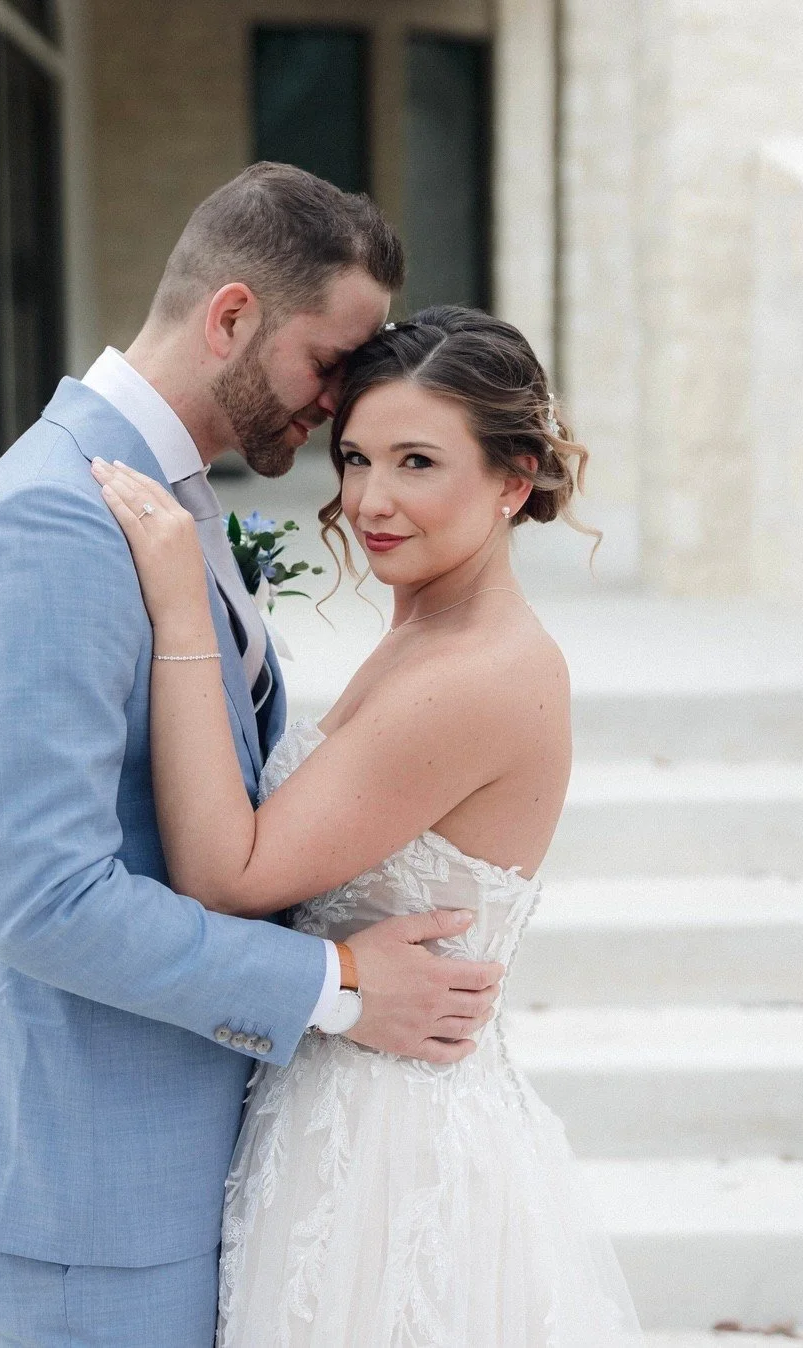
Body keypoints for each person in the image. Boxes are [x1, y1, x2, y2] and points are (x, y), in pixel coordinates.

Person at [0, 165, 507, 1347]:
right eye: (329, 363)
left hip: (184, 1161)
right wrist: (336, 989)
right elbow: (47, 901)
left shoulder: (162, 502)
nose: (340, 407)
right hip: (87, 1195)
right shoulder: (50, 526)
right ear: (232, 316)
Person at [93, 305, 645, 1346]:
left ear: (513, 479)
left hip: (393, 1161)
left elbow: (226, 873)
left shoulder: (475, 678)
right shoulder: (428, 633)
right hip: (339, 1113)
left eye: (418, 462)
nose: (370, 500)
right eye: (354, 457)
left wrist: (178, 611)